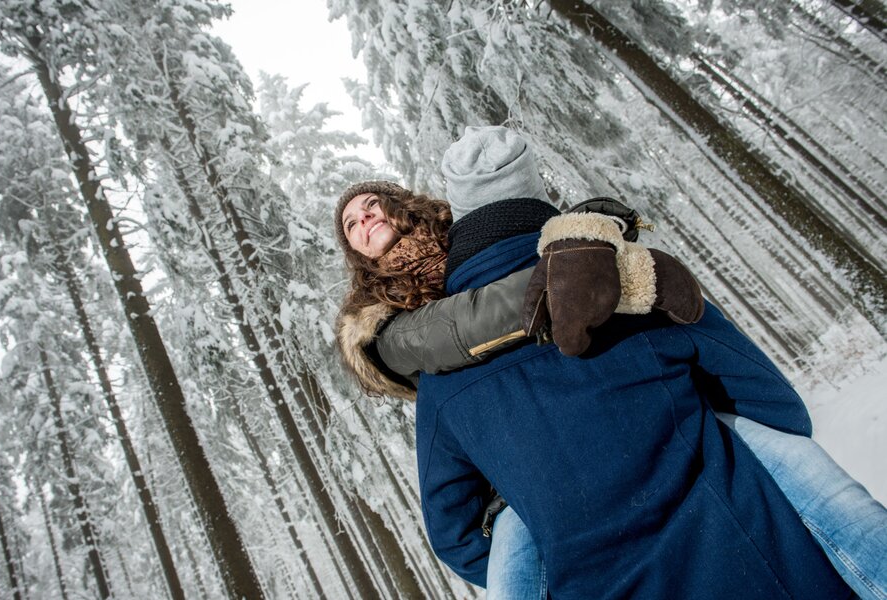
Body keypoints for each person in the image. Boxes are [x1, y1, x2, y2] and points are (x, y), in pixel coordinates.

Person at [333, 127, 884, 598]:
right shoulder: (399, 327)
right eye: (352, 225)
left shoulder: (443, 361)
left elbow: (455, 533)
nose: (364, 221)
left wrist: (547, 517)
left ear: (409, 207)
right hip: (730, 527)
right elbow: (766, 397)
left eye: (369, 207)